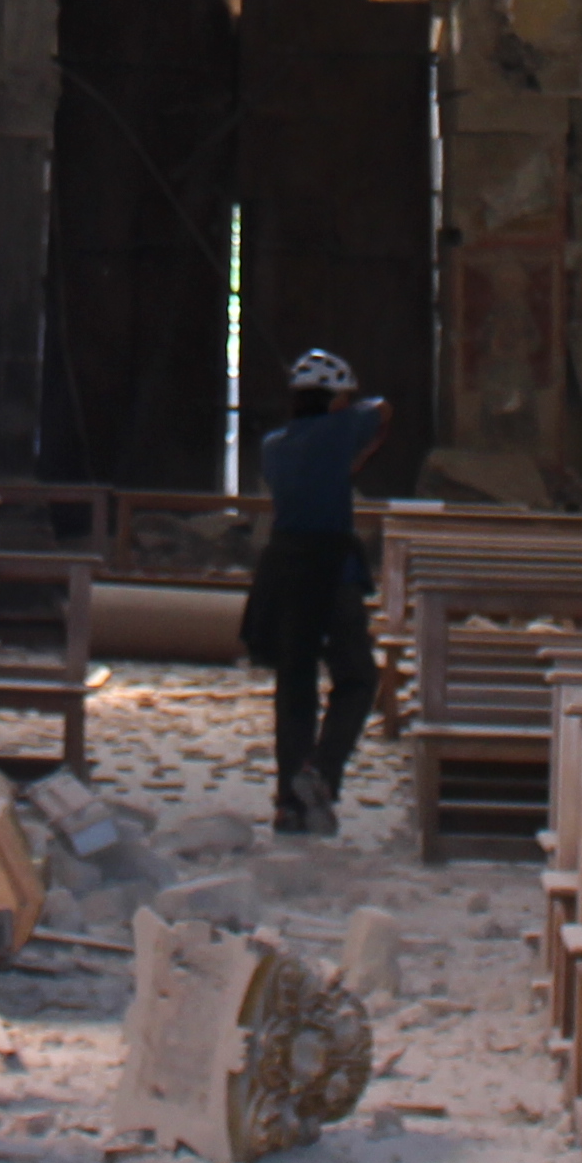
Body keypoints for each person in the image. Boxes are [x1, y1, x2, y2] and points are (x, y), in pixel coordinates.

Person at [248, 346, 384, 833]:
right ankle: (321, 772)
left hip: (285, 573)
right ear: (333, 401)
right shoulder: (340, 430)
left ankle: (289, 802)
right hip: (332, 574)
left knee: (294, 686)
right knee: (358, 678)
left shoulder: (274, 447)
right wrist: (357, 445)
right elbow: (382, 410)